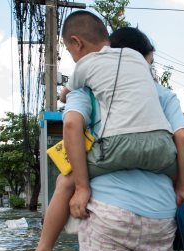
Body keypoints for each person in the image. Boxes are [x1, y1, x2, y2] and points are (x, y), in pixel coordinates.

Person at [10, 25, 184, 251]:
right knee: (182, 190)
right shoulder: (162, 93)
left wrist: (82, 186)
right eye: (149, 62)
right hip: (159, 177)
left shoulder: (90, 83)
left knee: (65, 180)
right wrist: (183, 187)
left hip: (111, 161)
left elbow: (70, 120)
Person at [60, 10, 176, 178]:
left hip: (118, 145)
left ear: (76, 43)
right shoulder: (135, 57)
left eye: (69, 51)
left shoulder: (84, 65)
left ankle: (80, 190)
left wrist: (81, 184)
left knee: (69, 176)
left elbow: (65, 96)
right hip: (162, 144)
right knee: (173, 170)